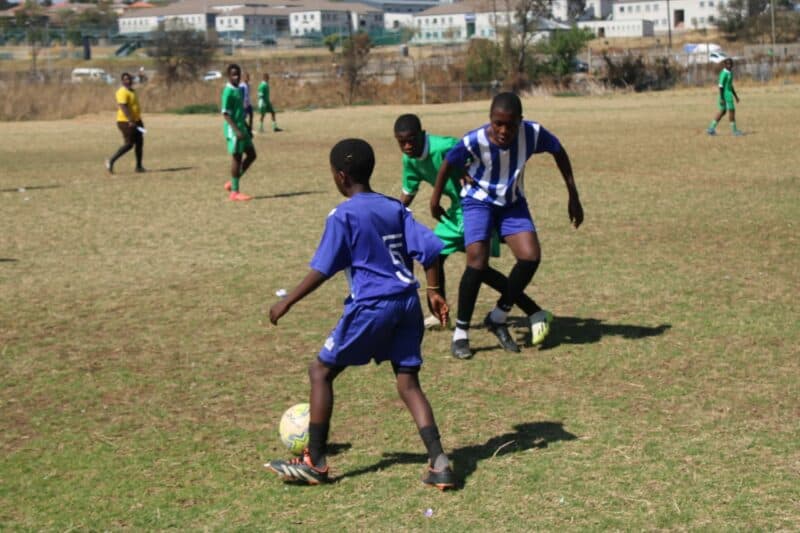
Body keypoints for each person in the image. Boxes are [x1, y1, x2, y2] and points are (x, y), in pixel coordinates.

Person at [266, 138, 455, 490]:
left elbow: (322, 269)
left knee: (320, 371)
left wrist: (287, 300)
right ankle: (439, 461)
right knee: (408, 382)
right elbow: (430, 249)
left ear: (340, 176)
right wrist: (434, 292)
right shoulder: (394, 207)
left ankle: (315, 462)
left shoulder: (343, 215)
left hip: (373, 306)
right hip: (408, 304)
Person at [430, 92, 583, 360]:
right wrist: (435, 199)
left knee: (530, 257)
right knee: (476, 263)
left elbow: (559, 152)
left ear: (520, 121)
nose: (503, 130)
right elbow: (448, 163)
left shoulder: (532, 134)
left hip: (512, 203)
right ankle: (461, 333)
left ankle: (498, 315)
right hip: (478, 201)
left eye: (510, 124)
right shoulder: (474, 139)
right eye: (497, 123)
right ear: (490, 119)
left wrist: (573, 195)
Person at [394, 113, 546, 335]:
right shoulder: (409, 160)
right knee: (435, 254)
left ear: (422, 135)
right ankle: (440, 313)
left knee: (478, 269)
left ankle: (534, 311)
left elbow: (473, 151)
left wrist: (466, 169)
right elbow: (408, 191)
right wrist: (391, 216)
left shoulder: (443, 146)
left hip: (475, 206)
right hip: (455, 213)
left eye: (411, 140)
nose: (407, 146)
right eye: (401, 142)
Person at [221, 64, 257, 201]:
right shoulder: (228, 92)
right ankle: (234, 192)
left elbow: (240, 112)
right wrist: (236, 130)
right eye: (233, 74)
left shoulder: (240, 90)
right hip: (233, 130)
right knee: (237, 158)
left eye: (238, 74)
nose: (236, 77)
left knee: (252, 155)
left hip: (242, 127)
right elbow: (225, 114)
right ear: (228, 76)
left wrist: (247, 127)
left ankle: (233, 182)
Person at [105, 72, 145, 174]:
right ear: (122, 81)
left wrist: (137, 120)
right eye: (126, 79)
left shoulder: (132, 91)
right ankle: (111, 161)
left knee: (139, 143)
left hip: (136, 120)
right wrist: (130, 120)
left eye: (130, 79)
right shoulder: (122, 92)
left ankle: (139, 166)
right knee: (129, 144)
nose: (128, 81)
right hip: (125, 121)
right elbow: (123, 106)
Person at [707, 58, 742, 136]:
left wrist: (736, 96)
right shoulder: (724, 73)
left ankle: (711, 128)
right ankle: (734, 131)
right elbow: (720, 86)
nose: (729, 66)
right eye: (727, 64)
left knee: (723, 112)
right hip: (726, 96)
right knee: (732, 112)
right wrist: (722, 98)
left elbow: (730, 86)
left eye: (730, 64)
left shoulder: (730, 73)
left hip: (728, 95)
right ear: (725, 65)